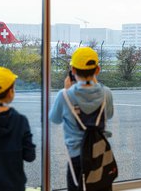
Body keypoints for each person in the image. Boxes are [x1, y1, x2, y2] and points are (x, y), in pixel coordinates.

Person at [49, 47, 114, 191]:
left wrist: (66, 90)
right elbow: (108, 115)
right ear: (97, 70)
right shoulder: (106, 93)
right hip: (100, 153)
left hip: (76, 157)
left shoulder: (64, 95)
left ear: (73, 70)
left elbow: (54, 119)